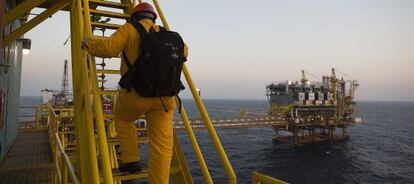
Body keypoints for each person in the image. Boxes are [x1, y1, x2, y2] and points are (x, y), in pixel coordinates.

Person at [83, 2, 188, 184]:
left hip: (135, 95)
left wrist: (88, 43)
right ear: (153, 17)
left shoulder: (129, 29)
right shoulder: (165, 33)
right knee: (162, 147)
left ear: (135, 17)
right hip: (165, 98)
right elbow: (184, 51)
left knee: (123, 120)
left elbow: (109, 48)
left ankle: (131, 161)